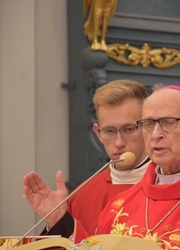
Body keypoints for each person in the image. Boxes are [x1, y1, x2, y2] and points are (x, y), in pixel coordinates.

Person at [23, 84, 180, 249]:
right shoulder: (119, 207)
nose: (156, 134)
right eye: (148, 124)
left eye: (168, 123)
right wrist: (59, 221)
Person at [23, 79, 150, 235]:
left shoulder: (170, 184)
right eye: (109, 131)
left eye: (129, 129)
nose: (118, 142)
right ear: (98, 133)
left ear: (147, 126)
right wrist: (58, 220)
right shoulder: (82, 196)